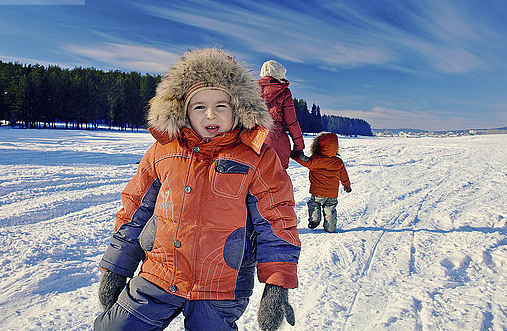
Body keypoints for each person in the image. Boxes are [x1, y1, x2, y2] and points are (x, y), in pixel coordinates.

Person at [94, 48, 300, 331]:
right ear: (182, 109)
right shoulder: (163, 152)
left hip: (222, 285)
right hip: (160, 273)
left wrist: (277, 285)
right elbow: (135, 210)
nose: (210, 114)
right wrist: (117, 266)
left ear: (240, 109)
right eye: (199, 106)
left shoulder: (258, 159)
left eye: (222, 106)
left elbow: (277, 221)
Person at [291, 132, 351, 233]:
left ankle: (314, 219)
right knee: (330, 209)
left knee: (314, 203)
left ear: (318, 145)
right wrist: (347, 186)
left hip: (317, 193)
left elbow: (302, 160)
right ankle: (330, 227)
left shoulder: (315, 160)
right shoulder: (338, 162)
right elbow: (344, 176)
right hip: (332, 194)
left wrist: (295, 154)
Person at [258, 60, 304, 169]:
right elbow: (291, 122)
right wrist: (299, 146)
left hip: (253, 141)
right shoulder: (284, 92)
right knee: (278, 182)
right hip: (277, 142)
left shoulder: (250, 90)